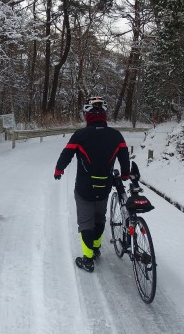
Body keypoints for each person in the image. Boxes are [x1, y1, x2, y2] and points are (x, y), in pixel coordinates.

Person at [54, 96, 130, 272]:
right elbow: (124, 157)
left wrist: (59, 170)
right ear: (104, 115)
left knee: (85, 221)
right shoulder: (116, 135)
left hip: (84, 187)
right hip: (105, 186)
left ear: (87, 115)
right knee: (99, 217)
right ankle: (95, 249)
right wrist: (125, 174)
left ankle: (87, 259)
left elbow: (66, 155)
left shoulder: (80, 135)